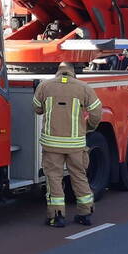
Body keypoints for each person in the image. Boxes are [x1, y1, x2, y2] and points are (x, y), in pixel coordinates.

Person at [32, 62, 104, 228]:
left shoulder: (44, 86)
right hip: (76, 145)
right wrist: (89, 127)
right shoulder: (83, 88)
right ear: (73, 72)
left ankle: (56, 217)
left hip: (52, 145)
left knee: (54, 179)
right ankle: (85, 213)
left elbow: (36, 108)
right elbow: (96, 111)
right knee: (79, 177)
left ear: (58, 71)